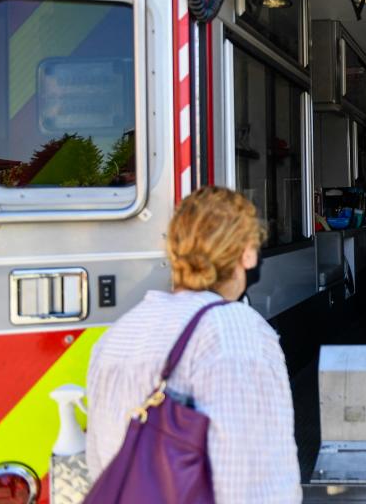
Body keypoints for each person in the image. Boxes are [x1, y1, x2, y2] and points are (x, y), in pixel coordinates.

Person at [87, 186, 301, 503]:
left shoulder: (117, 334)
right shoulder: (239, 332)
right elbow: (257, 480)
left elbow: (99, 460)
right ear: (248, 253)